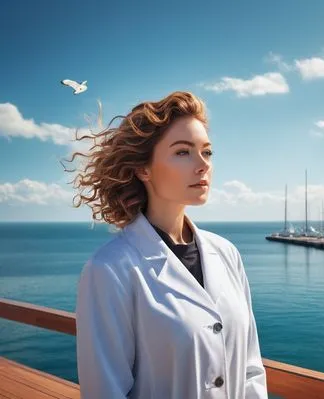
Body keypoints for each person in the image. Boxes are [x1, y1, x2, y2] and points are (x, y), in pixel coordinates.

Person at [68, 91, 268, 398]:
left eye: (207, 152)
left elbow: (251, 370)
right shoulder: (109, 271)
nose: (203, 165)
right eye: (183, 152)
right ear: (143, 169)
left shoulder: (227, 254)